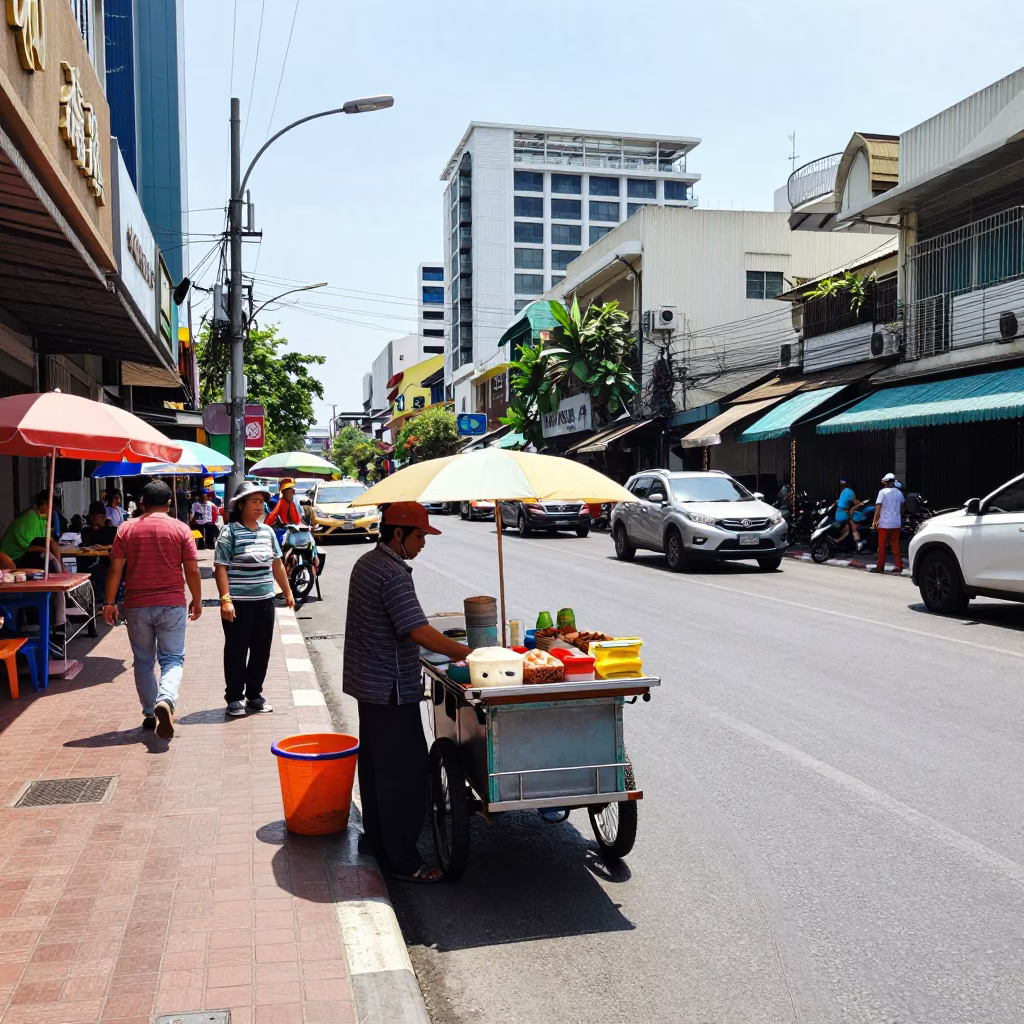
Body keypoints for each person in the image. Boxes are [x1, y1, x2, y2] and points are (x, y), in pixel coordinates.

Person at [343, 502, 473, 883]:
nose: (423, 544)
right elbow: (417, 630)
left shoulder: (367, 562)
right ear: (398, 534)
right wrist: (470, 653)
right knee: (406, 773)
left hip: (368, 682)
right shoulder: (391, 572)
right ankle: (401, 859)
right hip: (389, 685)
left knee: (376, 765)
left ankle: (377, 839)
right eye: (419, 536)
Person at [103, 480, 202, 738]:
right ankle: (166, 700)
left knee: (144, 661)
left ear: (142, 504)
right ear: (169, 503)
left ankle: (150, 711)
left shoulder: (126, 528)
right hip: (171, 603)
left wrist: (109, 602)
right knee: (171, 658)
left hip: (136, 606)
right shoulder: (181, 529)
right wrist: (197, 599)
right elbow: (191, 570)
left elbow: (115, 569)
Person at [214, 481, 294, 716]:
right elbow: (220, 567)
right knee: (236, 651)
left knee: (261, 650)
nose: (260, 506)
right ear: (241, 505)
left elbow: (277, 564)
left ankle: (254, 695)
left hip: (265, 602)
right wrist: (225, 599)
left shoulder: (267, 532)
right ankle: (235, 697)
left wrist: (287, 592)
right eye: (254, 502)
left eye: (261, 502)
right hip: (238, 604)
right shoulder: (229, 532)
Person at [1, 491, 62, 565]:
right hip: (12, 560)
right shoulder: (30, 518)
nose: (53, 511)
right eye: (52, 507)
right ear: (44, 504)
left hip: (23, 557)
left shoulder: (41, 519)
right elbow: (31, 547)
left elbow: (48, 542)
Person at [868, 472, 905, 575]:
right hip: (896, 523)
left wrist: (874, 521)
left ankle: (880, 567)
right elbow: (902, 508)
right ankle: (898, 566)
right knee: (895, 544)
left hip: (884, 524)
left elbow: (878, 508)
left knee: (882, 546)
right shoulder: (899, 493)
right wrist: (897, 516)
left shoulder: (882, 492)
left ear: (886, 482)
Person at [835, 477, 866, 551]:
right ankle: (858, 540)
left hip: (838, 513)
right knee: (853, 523)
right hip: (843, 513)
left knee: (847, 528)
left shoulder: (842, 492)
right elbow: (855, 501)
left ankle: (838, 541)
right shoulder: (849, 491)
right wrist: (861, 503)